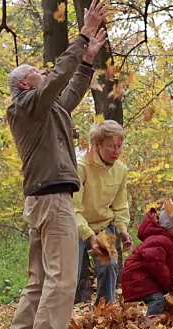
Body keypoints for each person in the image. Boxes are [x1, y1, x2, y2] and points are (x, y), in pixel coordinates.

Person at [2, 0, 108, 329]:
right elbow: (59, 78)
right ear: (24, 85)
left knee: (39, 281)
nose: (44, 73)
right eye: (37, 72)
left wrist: (88, 59)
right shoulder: (25, 106)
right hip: (51, 200)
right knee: (62, 280)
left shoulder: (42, 110)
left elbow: (69, 93)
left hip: (41, 200)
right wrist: (82, 37)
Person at [74, 120, 132, 307]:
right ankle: (61, 320)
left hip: (104, 226)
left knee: (109, 267)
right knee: (69, 275)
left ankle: (105, 311)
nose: (116, 151)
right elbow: (72, 209)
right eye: (111, 146)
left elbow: (120, 205)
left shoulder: (120, 170)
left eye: (119, 146)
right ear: (97, 145)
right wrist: (89, 237)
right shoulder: (81, 167)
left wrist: (122, 229)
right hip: (77, 227)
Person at [121, 205, 173, 316]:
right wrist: (168, 285)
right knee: (158, 300)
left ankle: (160, 319)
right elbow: (156, 266)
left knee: (163, 299)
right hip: (137, 277)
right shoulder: (160, 241)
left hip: (145, 277)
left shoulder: (167, 241)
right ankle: (149, 323)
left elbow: (166, 267)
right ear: (169, 226)